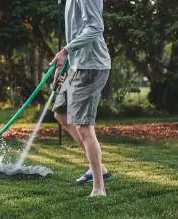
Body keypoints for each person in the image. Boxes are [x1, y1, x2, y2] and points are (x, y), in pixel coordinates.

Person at [50, 0, 111, 197]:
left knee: (84, 128)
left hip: (92, 68)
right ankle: (98, 168)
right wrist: (65, 63)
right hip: (77, 67)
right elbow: (77, 32)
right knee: (61, 113)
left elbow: (95, 27)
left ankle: (99, 188)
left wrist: (65, 51)